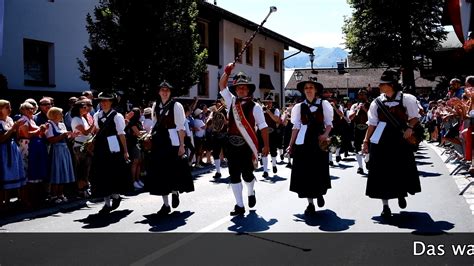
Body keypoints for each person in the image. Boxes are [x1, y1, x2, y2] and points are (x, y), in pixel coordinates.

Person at [362, 69, 421, 219]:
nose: (380, 86)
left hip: (400, 139)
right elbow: (372, 124)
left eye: (383, 83)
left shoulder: (407, 99)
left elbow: (415, 117)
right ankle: (385, 206)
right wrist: (366, 141)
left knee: (400, 169)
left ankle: (401, 193)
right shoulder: (376, 102)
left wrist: (409, 128)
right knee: (381, 172)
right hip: (381, 139)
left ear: (392, 85)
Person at [219, 63, 270, 216]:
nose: (241, 89)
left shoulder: (255, 107)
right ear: (235, 89)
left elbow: (263, 127)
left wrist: (266, 145)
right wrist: (227, 71)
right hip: (231, 145)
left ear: (248, 89)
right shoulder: (231, 102)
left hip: (247, 145)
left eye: (244, 87)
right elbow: (222, 86)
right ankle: (239, 205)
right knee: (234, 175)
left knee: (247, 175)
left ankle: (250, 191)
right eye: (238, 87)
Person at [287, 76, 333, 215]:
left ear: (316, 90)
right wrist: (291, 145)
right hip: (303, 142)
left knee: (318, 170)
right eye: (306, 88)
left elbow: (329, 124)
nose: (308, 90)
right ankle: (310, 203)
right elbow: (295, 127)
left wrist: (325, 134)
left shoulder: (323, 104)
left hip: (318, 141)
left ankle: (319, 193)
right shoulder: (298, 107)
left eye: (311, 87)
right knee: (305, 172)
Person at [147, 81, 194, 215]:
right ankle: (165, 204)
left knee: (173, 170)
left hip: (172, 140)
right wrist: (149, 135)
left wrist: (181, 145)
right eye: (162, 90)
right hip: (159, 141)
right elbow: (155, 124)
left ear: (170, 92)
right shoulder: (155, 105)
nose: (164, 92)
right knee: (160, 173)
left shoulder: (176, 105)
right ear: (159, 92)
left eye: (167, 90)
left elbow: (181, 127)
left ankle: (175, 191)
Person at [91, 92, 131, 215]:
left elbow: (121, 134)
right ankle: (107, 204)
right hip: (101, 147)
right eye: (101, 101)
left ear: (111, 102)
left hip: (114, 146)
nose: (103, 103)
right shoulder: (97, 115)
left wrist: (125, 151)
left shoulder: (117, 116)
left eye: (106, 100)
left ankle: (116, 195)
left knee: (114, 173)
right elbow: (96, 130)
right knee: (102, 175)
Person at [45, 107, 76, 203]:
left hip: (64, 149)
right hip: (56, 150)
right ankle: (53, 195)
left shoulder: (62, 125)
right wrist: (63, 135)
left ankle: (60, 194)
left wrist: (72, 136)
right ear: (54, 115)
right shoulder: (49, 124)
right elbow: (50, 140)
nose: (62, 115)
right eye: (60, 114)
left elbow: (67, 138)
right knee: (56, 171)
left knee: (63, 171)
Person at [0, 100, 26, 210]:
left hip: (12, 148)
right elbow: (1, 138)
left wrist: (18, 128)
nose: (10, 109)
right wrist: (13, 128)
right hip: (3, 150)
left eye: (10, 107)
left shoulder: (9, 120)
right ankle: (3, 203)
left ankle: (9, 200)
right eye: (7, 107)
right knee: (4, 174)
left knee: (13, 173)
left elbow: (15, 136)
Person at [70, 100, 95, 198]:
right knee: (81, 169)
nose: (86, 108)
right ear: (78, 109)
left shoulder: (82, 118)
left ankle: (85, 188)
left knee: (86, 169)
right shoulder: (76, 119)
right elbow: (85, 132)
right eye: (83, 107)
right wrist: (94, 124)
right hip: (80, 146)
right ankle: (80, 190)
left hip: (86, 145)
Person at [348, 88, 371, 174]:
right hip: (357, 129)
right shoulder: (354, 106)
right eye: (360, 94)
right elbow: (350, 117)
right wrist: (356, 110)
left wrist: (365, 109)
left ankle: (367, 159)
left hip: (368, 129)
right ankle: (360, 167)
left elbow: (373, 117)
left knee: (369, 148)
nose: (361, 96)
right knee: (357, 148)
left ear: (366, 95)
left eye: (363, 94)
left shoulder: (371, 105)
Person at [125, 107, 145, 190]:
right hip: (132, 144)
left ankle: (137, 179)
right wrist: (143, 132)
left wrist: (141, 132)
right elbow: (138, 133)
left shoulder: (138, 122)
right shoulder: (132, 122)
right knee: (135, 162)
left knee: (139, 162)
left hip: (138, 143)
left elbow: (139, 132)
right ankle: (133, 181)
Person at [260, 99, 281, 178]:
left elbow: (276, 119)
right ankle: (265, 171)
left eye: (270, 102)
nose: (268, 104)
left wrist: (268, 112)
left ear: (272, 103)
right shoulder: (261, 110)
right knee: (263, 150)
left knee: (273, 150)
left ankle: (274, 165)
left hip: (272, 133)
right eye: (266, 102)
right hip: (264, 133)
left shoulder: (275, 110)